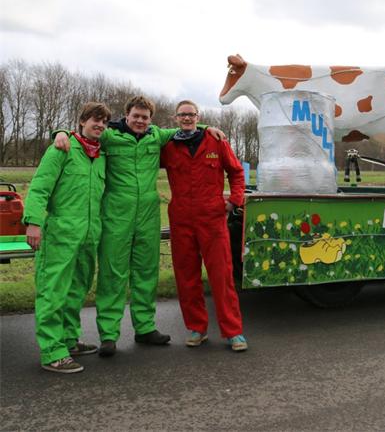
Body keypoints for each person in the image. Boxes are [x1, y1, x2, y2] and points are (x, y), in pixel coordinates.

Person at [54, 97, 224, 357]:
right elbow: (85, 132)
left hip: (147, 216)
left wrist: (207, 127)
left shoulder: (156, 136)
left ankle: (145, 328)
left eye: (145, 117)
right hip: (116, 217)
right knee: (113, 274)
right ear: (127, 115)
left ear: (151, 120)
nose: (140, 121)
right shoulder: (110, 136)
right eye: (136, 116)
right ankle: (109, 334)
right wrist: (61, 133)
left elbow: (185, 128)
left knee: (146, 273)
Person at [23, 102, 111, 373]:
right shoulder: (61, 148)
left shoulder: (100, 155)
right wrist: (33, 222)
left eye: (104, 122)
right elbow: (39, 188)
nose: (100, 125)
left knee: (76, 290)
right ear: (82, 121)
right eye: (95, 120)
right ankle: (52, 352)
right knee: (53, 290)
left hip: (88, 234)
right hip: (60, 233)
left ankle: (69, 340)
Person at [160, 100, 247, 351]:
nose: (187, 118)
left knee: (221, 276)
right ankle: (197, 328)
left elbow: (236, 172)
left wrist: (234, 201)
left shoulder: (216, 141)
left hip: (212, 219)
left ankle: (233, 332)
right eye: (182, 115)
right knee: (187, 276)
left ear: (198, 117)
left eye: (191, 114)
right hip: (181, 219)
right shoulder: (169, 146)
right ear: (175, 118)